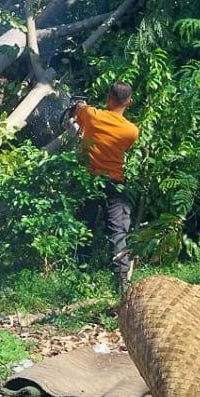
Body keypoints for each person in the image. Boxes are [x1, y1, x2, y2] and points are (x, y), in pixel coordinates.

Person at [74, 81, 140, 292]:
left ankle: (80, 274)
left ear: (109, 98)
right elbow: (125, 148)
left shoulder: (92, 115)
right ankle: (122, 281)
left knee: (85, 227)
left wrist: (80, 104)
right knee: (118, 231)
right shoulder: (131, 131)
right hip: (115, 184)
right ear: (129, 102)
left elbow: (78, 109)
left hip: (90, 181)